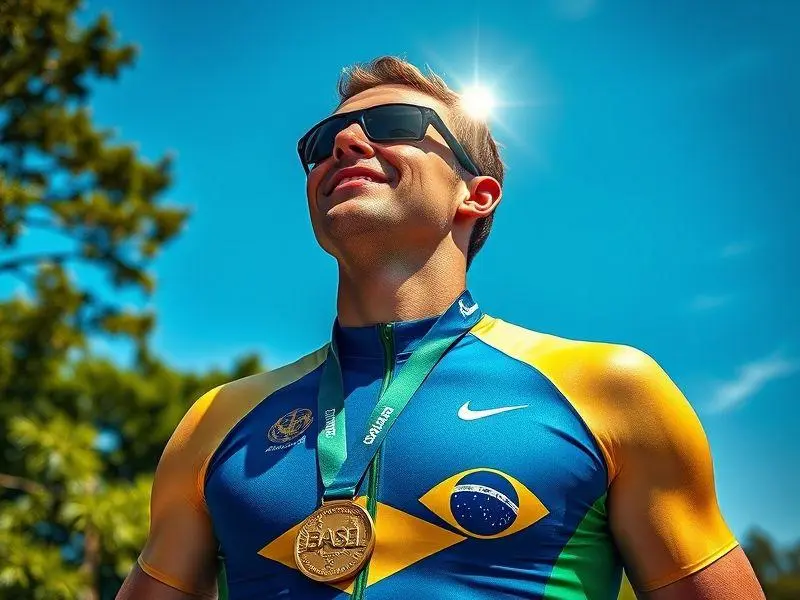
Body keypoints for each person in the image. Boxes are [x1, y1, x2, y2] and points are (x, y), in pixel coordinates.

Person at [118, 56, 765, 600]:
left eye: (392, 125)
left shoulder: (610, 389)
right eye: (321, 142)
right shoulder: (215, 420)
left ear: (476, 194)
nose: (343, 144)